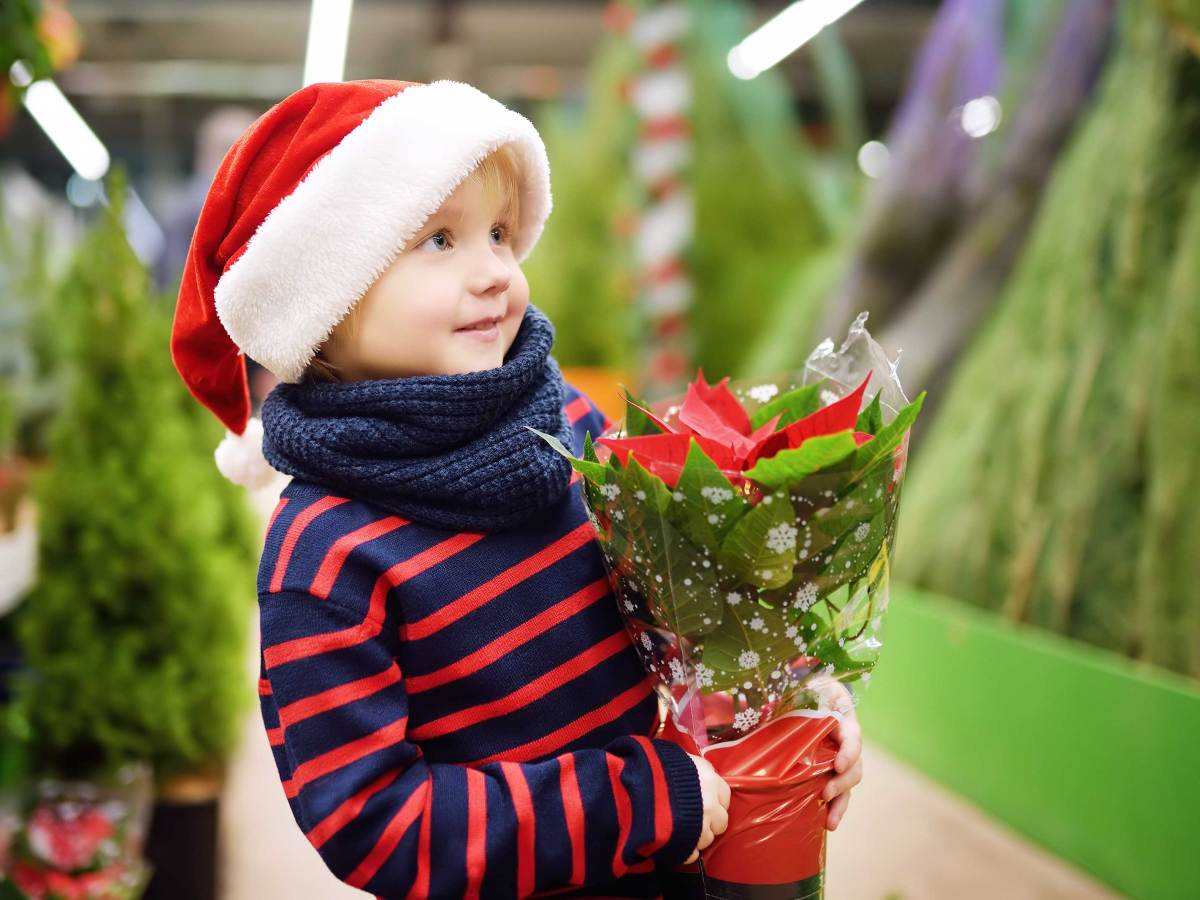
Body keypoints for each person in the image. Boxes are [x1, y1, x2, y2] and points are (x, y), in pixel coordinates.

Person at [169, 78, 860, 898]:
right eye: (438, 240)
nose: (496, 270)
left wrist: (785, 696)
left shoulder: (569, 422)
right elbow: (372, 821)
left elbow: (679, 615)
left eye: (499, 232)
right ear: (326, 300)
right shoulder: (322, 553)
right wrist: (632, 805)